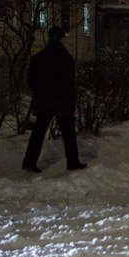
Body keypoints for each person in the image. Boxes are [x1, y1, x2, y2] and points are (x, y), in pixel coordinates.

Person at [22, 26, 86, 173]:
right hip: (62, 101)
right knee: (68, 133)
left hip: (44, 100)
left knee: (38, 132)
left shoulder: (39, 58)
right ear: (62, 38)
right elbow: (70, 82)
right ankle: (73, 161)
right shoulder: (66, 58)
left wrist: (41, 91)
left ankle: (29, 162)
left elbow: (31, 81)